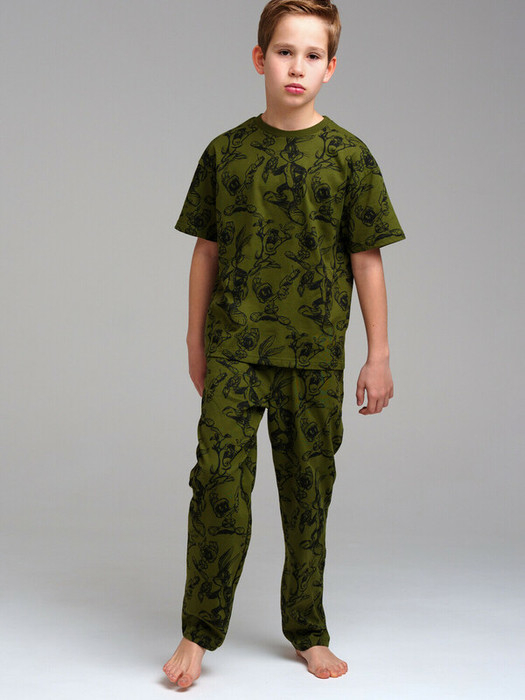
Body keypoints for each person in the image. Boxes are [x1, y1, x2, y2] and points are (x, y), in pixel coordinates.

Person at [163, 0, 406, 687]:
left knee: (308, 494)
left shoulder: (349, 156)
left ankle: (308, 629)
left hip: (313, 357)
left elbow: (366, 259)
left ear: (330, 68)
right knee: (217, 486)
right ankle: (196, 632)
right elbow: (206, 251)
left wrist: (379, 355)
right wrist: (194, 340)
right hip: (235, 350)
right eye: (283, 51)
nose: (296, 66)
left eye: (311, 55)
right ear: (259, 58)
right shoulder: (226, 152)